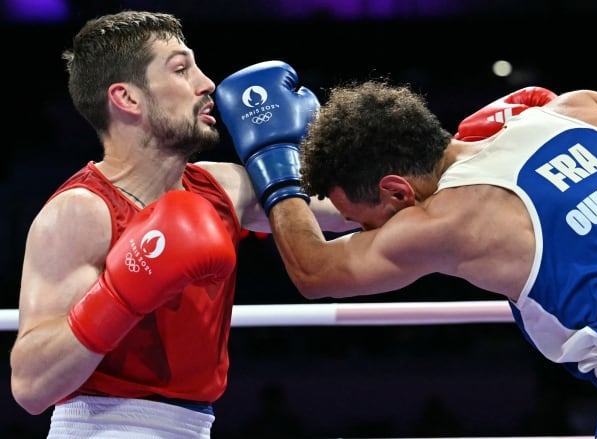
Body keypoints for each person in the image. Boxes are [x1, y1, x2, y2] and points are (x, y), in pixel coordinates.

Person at [214, 61, 597, 437]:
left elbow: (316, 270)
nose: (368, 235)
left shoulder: (453, 217)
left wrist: (275, 170)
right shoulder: (576, 111)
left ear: (396, 191)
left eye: (365, 224)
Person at [9, 11, 355, 438]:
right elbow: (29, 386)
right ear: (127, 98)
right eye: (181, 68)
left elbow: (354, 209)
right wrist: (122, 293)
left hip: (194, 426)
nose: (207, 83)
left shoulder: (224, 187)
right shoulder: (80, 211)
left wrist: (454, 162)